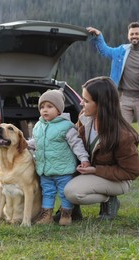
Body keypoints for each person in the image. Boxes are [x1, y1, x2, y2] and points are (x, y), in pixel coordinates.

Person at [86, 22, 139, 178]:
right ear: (128, 35)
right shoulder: (121, 51)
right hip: (124, 98)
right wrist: (99, 36)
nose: (134, 36)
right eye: (132, 34)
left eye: (137, 34)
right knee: (117, 132)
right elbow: (105, 51)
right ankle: (117, 164)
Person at [63, 76, 139, 220]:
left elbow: (132, 172)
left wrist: (95, 170)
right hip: (92, 171)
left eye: (86, 101)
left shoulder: (123, 135)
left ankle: (109, 200)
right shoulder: (84, 118)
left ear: (101, 104)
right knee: (58, 174)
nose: (81, 103)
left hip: (118, 180)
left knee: (72, 192)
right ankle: (71, 210)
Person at [27, 88, 90, 226]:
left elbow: (76, 144)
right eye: (42, 107)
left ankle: (66, 215)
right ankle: (46, 215)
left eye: (49, 107)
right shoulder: (38, 126)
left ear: (59, 110)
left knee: (64, 193)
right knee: (47, 192)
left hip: (64, 170)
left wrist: (84, 159)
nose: (45, 110)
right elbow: (36, 142)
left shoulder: (66, 126)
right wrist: (25, 144)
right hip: (45, 170)